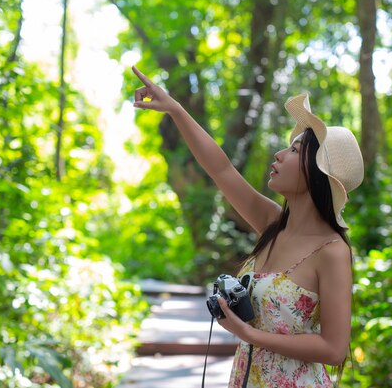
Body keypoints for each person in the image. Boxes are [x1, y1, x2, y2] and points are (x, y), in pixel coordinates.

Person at [132, 65, 364, 388]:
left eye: (295, 150)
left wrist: (249, 334)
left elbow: (334, 348)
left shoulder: (332, 251)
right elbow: (221, 169)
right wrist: (174, 108)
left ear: (316, 173)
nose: (280, 154)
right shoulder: (272, 224)